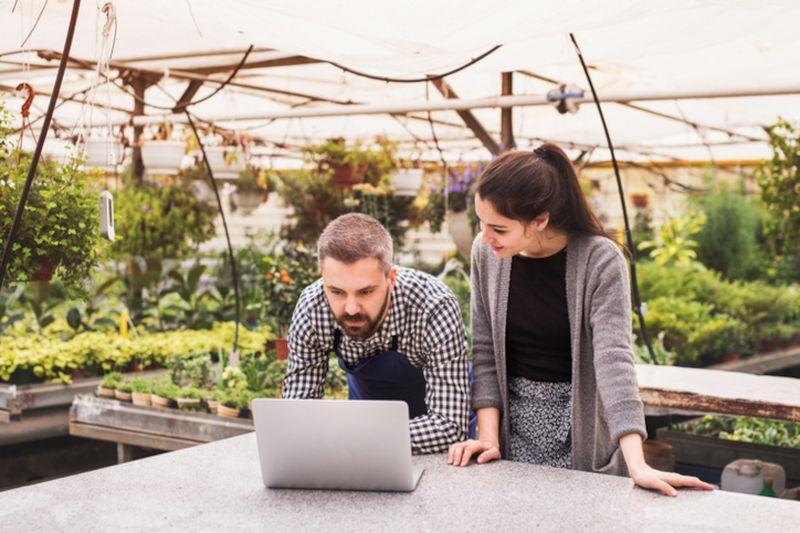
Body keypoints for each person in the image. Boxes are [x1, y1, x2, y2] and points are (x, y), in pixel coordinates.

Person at [447, 144, 715, 497]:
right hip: (513, 430)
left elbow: (614, 360)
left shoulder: (600, 260)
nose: (485, 236)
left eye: (498, 228)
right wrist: (488, 439)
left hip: (580, 428)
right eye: (481, 223)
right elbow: (483, 350)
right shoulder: (488, 252)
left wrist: (637, 464)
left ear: (540, 220)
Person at [282, 213, 470, 453]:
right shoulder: (312, 307)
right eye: (337, 291)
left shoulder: (433, 305)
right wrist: (365, 438)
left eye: (365, 292)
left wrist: (359, 438)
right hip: (366, 426)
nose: (351, 308)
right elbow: (298, 413)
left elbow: (450, 426)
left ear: (390, 278)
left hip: (434, 436)